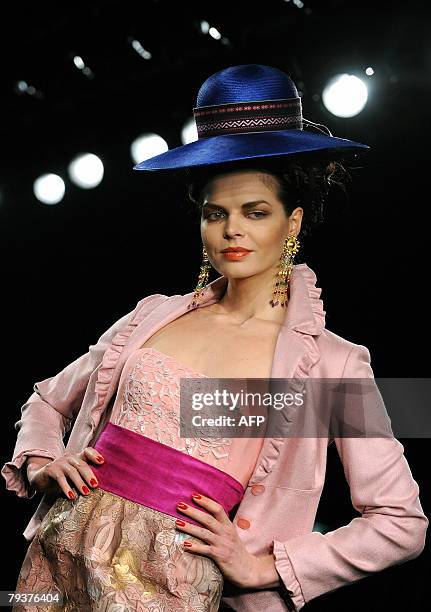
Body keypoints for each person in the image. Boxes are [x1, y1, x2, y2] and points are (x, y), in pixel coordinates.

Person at [2, 64, 428, 612]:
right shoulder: (152, 317)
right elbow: (45, 400)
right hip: (55, 564)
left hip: (169, 590)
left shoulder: (329, 365)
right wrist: (40, 462)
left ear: (292, 223)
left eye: (256, 212)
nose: (233, 230)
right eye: (215, 213)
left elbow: (400, 522)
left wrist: (268, 566)